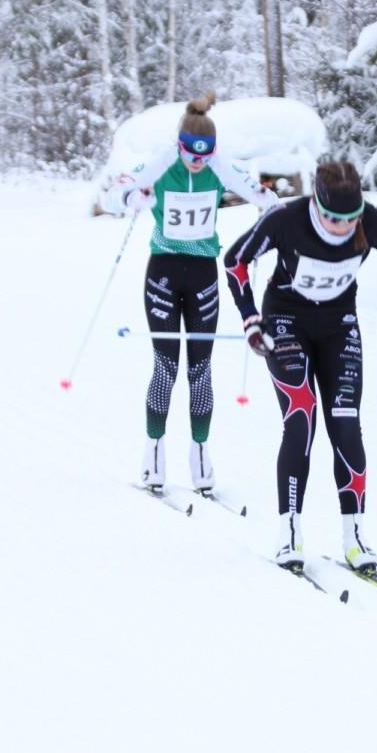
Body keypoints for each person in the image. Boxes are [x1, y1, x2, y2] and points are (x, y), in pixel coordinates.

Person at [223, 160, 377, 571]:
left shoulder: (371, 221)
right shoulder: (287, 219)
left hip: (338, 326)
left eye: (349, 219)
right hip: (286, 322)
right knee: (301, 415)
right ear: (316, 205)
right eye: (331, 218)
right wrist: (251, 318)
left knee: (345, 421)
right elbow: (235, 260)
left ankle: (355, 536)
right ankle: (289, 529)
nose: (341, 227)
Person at [104, 91, 278, 493]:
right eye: (190, 153)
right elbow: (116, 194)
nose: (197, 160)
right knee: (165, 366)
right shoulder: (164, 161)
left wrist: (267, 203)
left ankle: (200, 454)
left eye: (205, 153)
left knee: (200, 370)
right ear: (179, 145)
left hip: (203, 274)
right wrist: (131, 197)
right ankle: (153, 452)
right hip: (163, 271)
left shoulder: (218, 166)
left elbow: (262, 196)